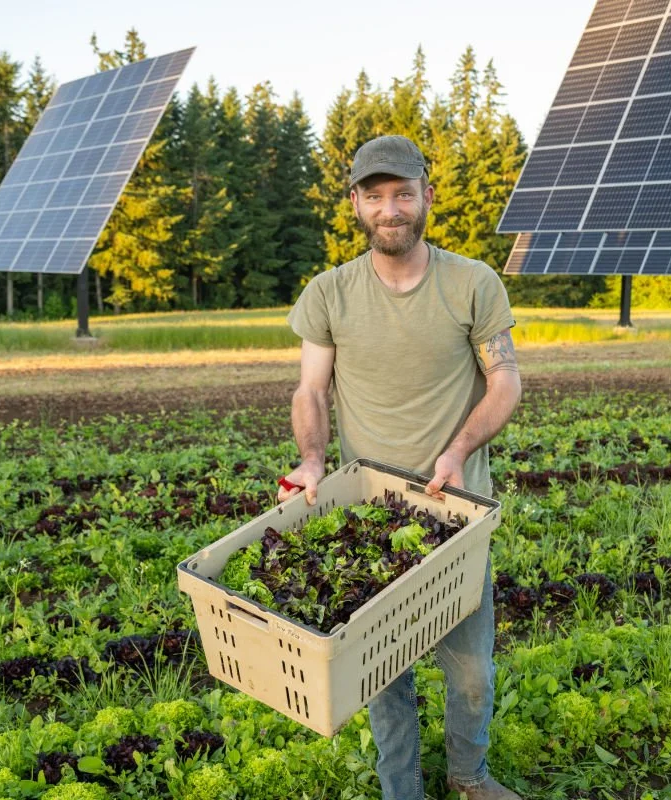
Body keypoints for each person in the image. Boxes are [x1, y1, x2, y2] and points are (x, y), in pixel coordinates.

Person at [277, 134, 522, 800]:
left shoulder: (472, 282)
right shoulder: (329, 294)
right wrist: (310, 460)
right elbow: (310, 389)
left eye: (403, 194)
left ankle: (469, 776)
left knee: (471, 672)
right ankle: (401, 790)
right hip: (373, 519)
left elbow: (505, 381)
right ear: (356, 203)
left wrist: (458, 450)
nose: (391, 209)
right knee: (385, 676)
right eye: (376, 196)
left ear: (426, 197)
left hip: (456, 511)